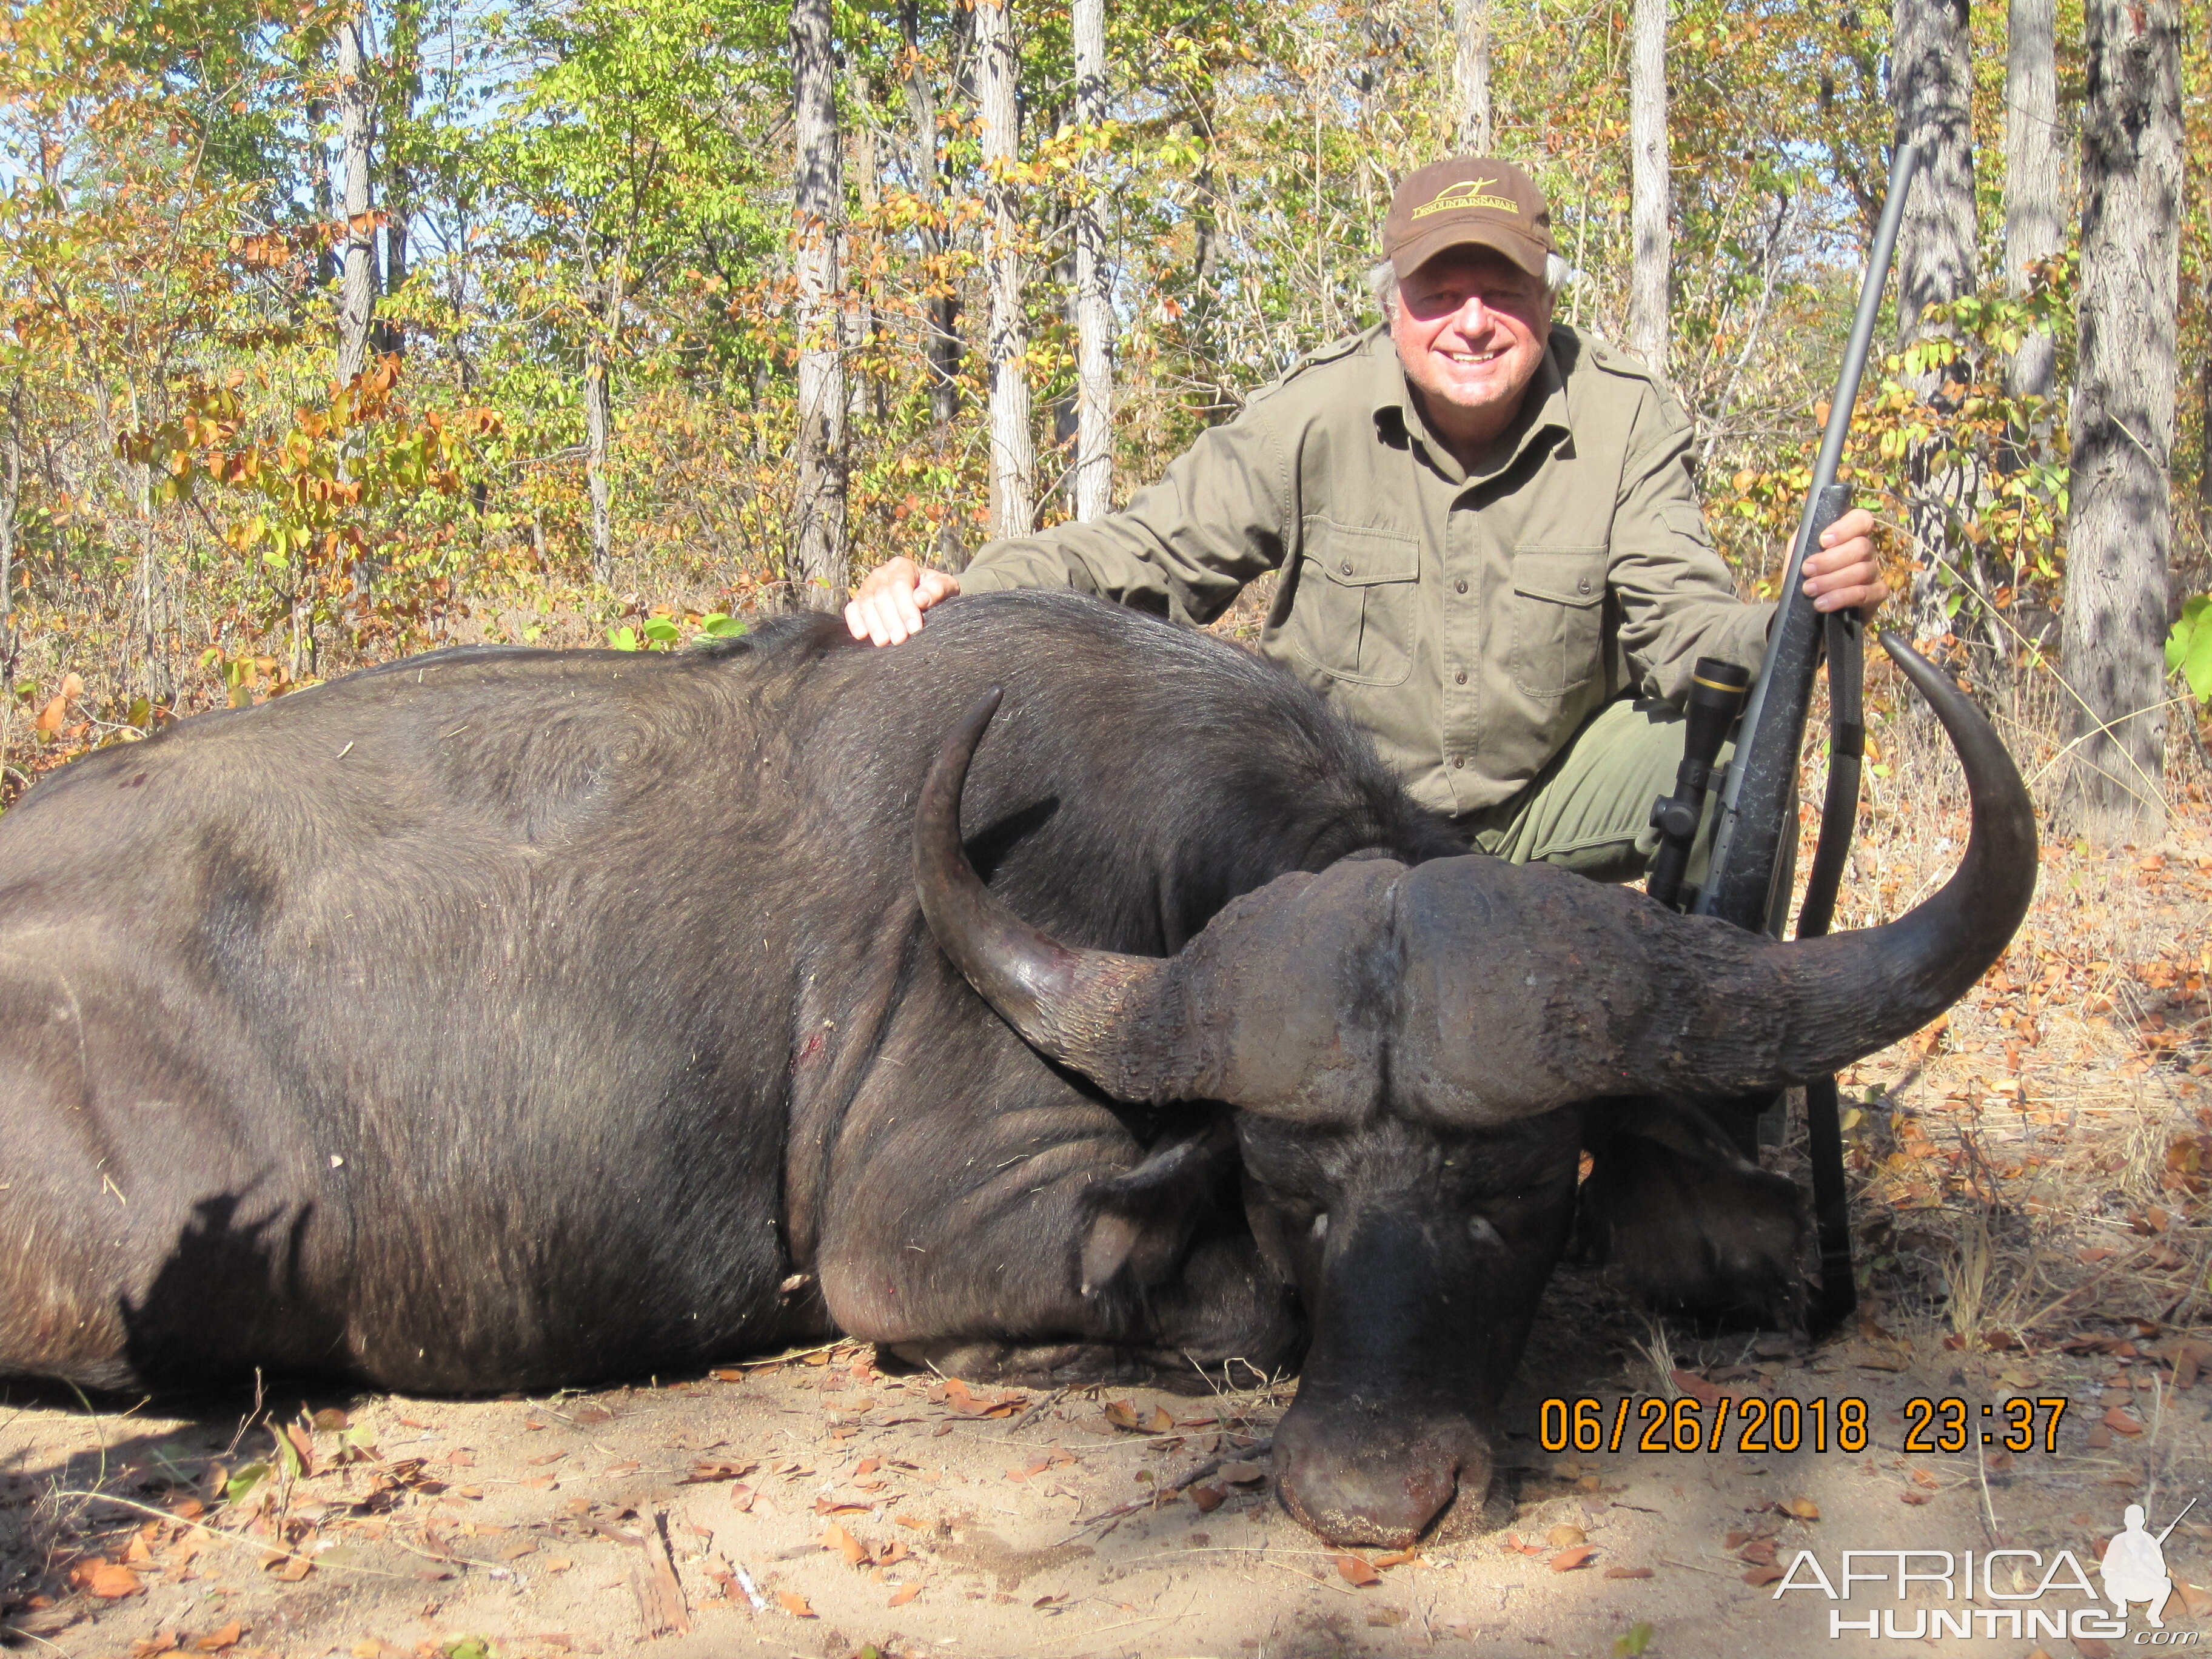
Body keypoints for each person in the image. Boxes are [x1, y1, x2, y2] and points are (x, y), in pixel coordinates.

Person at [846, 156, 1886, 883]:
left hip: (1541, 802)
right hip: (1338, 820)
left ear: (1544, 300)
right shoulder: (1316, 412)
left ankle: (1687, 1124)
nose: (1471, 321)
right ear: (1393, 303)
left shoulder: (1623, 416)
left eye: (1501, 289)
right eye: (1440, 291)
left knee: (1732, 756)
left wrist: (1795, 608)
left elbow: (1687, 636)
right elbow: (1142, 556)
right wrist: (963, 588)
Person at [2100, 1505, 2173, 1627]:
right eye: (2131, 1520)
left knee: (2166, 1584)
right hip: (2123, 1584)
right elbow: (2107, 1567)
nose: (2134, 1523)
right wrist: (2120, 1570)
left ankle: (2153, 1615)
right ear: (2126, 1521)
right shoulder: (2119, 1540)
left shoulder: (2150, 1541)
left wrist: (2147, 1567)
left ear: (2143, 1521)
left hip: (2144, 1584)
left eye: (2137, 1520)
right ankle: (2122, 1606)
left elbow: (2161, 1568)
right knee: (2110, 1583)